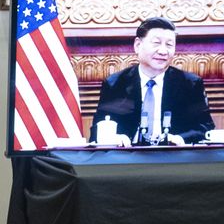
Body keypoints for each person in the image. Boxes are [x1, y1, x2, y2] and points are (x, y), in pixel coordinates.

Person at [88, 16, 215, 145]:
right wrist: (114, 139)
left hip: (174, 158)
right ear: (138, 45)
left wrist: (180, 139)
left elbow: (205, 127)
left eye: (169, 45)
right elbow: (97, 130)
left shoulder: (190, 84)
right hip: (128, 159)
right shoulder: (115, 84)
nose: (163, 51)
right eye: (156, 43)